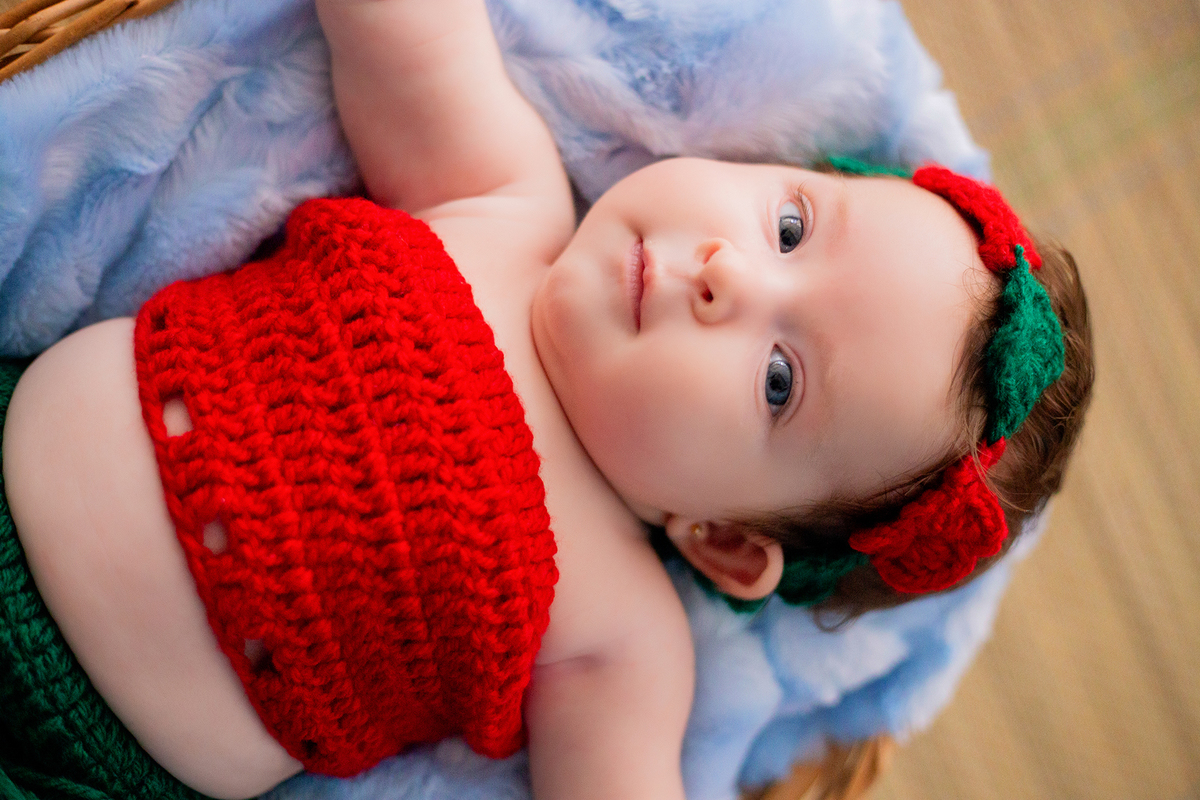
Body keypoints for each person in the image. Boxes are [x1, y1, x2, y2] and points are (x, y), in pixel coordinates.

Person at [0, 1, 1093, 799]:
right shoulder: (497, 196)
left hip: (81, 764)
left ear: (720, 540)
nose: (727, 272)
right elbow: (404, 32)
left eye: (778, 379)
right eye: (792, 228)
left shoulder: (621, 635)